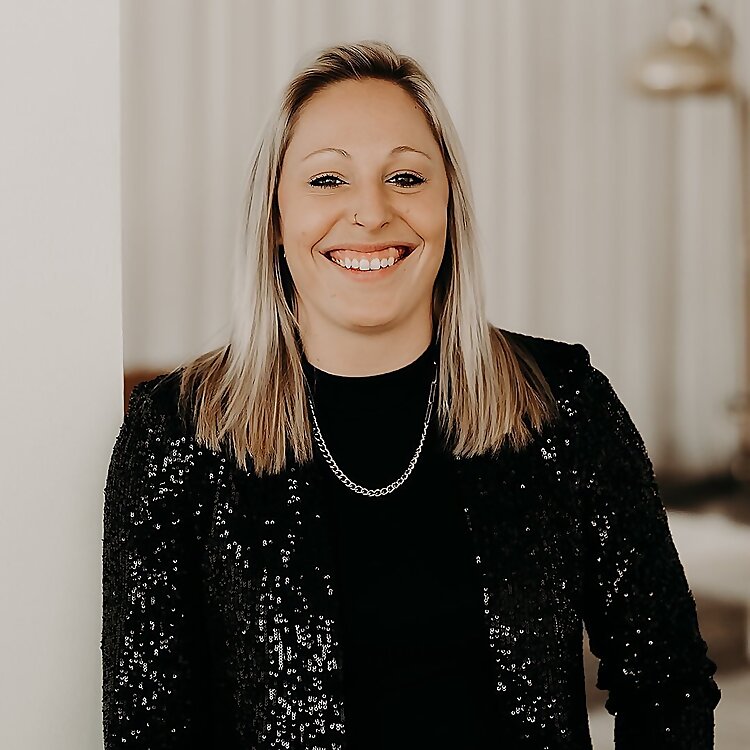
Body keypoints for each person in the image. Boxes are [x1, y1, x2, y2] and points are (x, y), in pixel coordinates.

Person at [101, 40, 721, 749]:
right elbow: (149, 729)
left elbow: (667, 681)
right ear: (273, 216)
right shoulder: (178, 433)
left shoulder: (564, 404)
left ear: (448, 206)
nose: (371, 212)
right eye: (327, 180)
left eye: (405, 177)